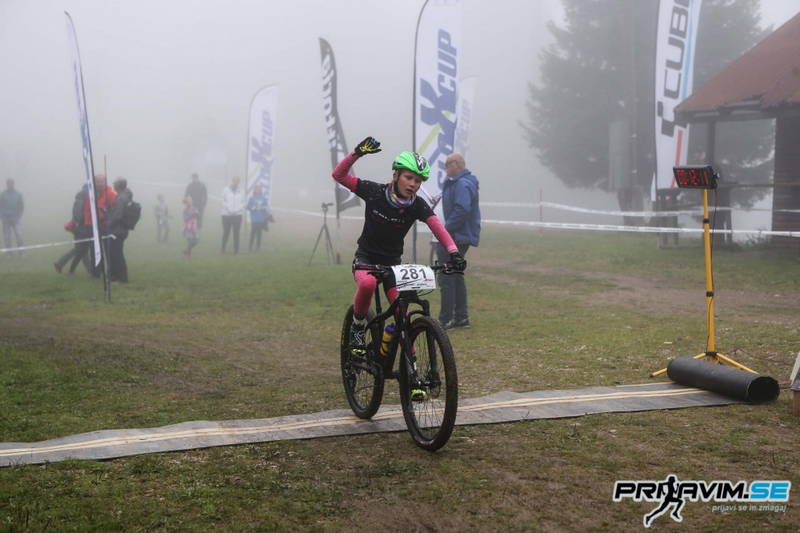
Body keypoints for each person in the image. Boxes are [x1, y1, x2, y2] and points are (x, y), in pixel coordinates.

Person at [332, 136, 466, 360]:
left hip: (392, 264)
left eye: (418, 181)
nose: (413, 184)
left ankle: (411, 366)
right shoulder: (374, 192)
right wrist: (357, 153)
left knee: (401, 313)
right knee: (367, 283)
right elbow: (339, 175)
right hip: (366, 258)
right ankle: (357, 327)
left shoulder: (417, 205)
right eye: (408, 177)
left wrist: (453, 252)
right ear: (396, 175)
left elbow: (438, 228)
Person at [437, 152, 481, 329]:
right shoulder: (457, 184)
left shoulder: (462, 184)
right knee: (456, 274)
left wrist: (445, 231)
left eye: (448, 164)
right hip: (459, 235)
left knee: (446, 274)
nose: (446, 168)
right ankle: (461, 317)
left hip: (457, 236)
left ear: (457, 164)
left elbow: (462, 209)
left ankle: (445, 318)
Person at [76, 174, 116, 277]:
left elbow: (114, 210)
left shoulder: (110, 194)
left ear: (105, 182)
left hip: (105, 226)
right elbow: (86, 210)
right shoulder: (90, 194)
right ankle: (96, 272)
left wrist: (105, 214)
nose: (99, 184)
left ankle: (111, 272)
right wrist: (86, 223)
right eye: (97, 182)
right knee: (95, 251)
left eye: (102, 181)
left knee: (108, 251)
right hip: (91, 227)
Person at [108, 177, 133, 283]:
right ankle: (115, 277)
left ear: (118, 186)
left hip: (117, 230)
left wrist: (108, 224)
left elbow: (118, 215)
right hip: (122, 229)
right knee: (115, 253)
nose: (113, 185)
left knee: (117, 255)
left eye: (114, 183)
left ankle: (122, 278)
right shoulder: (125, 196)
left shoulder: (121, 199)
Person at [221, 176, 245, 254]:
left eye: (237, 181)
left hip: (237, 215)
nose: (236, 182)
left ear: (239, 182)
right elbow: (222, 200)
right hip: (226, 215)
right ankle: (223, 249)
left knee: (236, 233)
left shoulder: (241, 191)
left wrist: (237, 210)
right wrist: (228, 209)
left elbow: (243, 202)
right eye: (234, 181)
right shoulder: (226, 189)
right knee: (226, 232)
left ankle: (236, 250)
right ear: (232, 181)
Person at [0, 179, 24, 255]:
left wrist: (19, 215)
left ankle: (21, 252)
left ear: (13, 184)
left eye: (11, 184)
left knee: (19, 235)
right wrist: (2, 216)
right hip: (6, 219)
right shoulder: (3, 194)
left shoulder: (18, 194)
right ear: (7, 185)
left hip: (16, 219)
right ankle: (9, 253)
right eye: (8, 184)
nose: (10, 185)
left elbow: (21, 206)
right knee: (7, 237)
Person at [247, 183, 270, 252]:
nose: (258, 190)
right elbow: (248, 207)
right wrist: (253, 208)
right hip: (254, 218)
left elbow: (266, 207)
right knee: (253, 233)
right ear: (254, 190)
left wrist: (263, 208)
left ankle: (258, 247)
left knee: (259, 233)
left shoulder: (263, 198)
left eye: (259, 189)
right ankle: (250, 247)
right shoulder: (252, 198)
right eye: (256, 189)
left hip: (261, 218)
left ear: (261, 190)